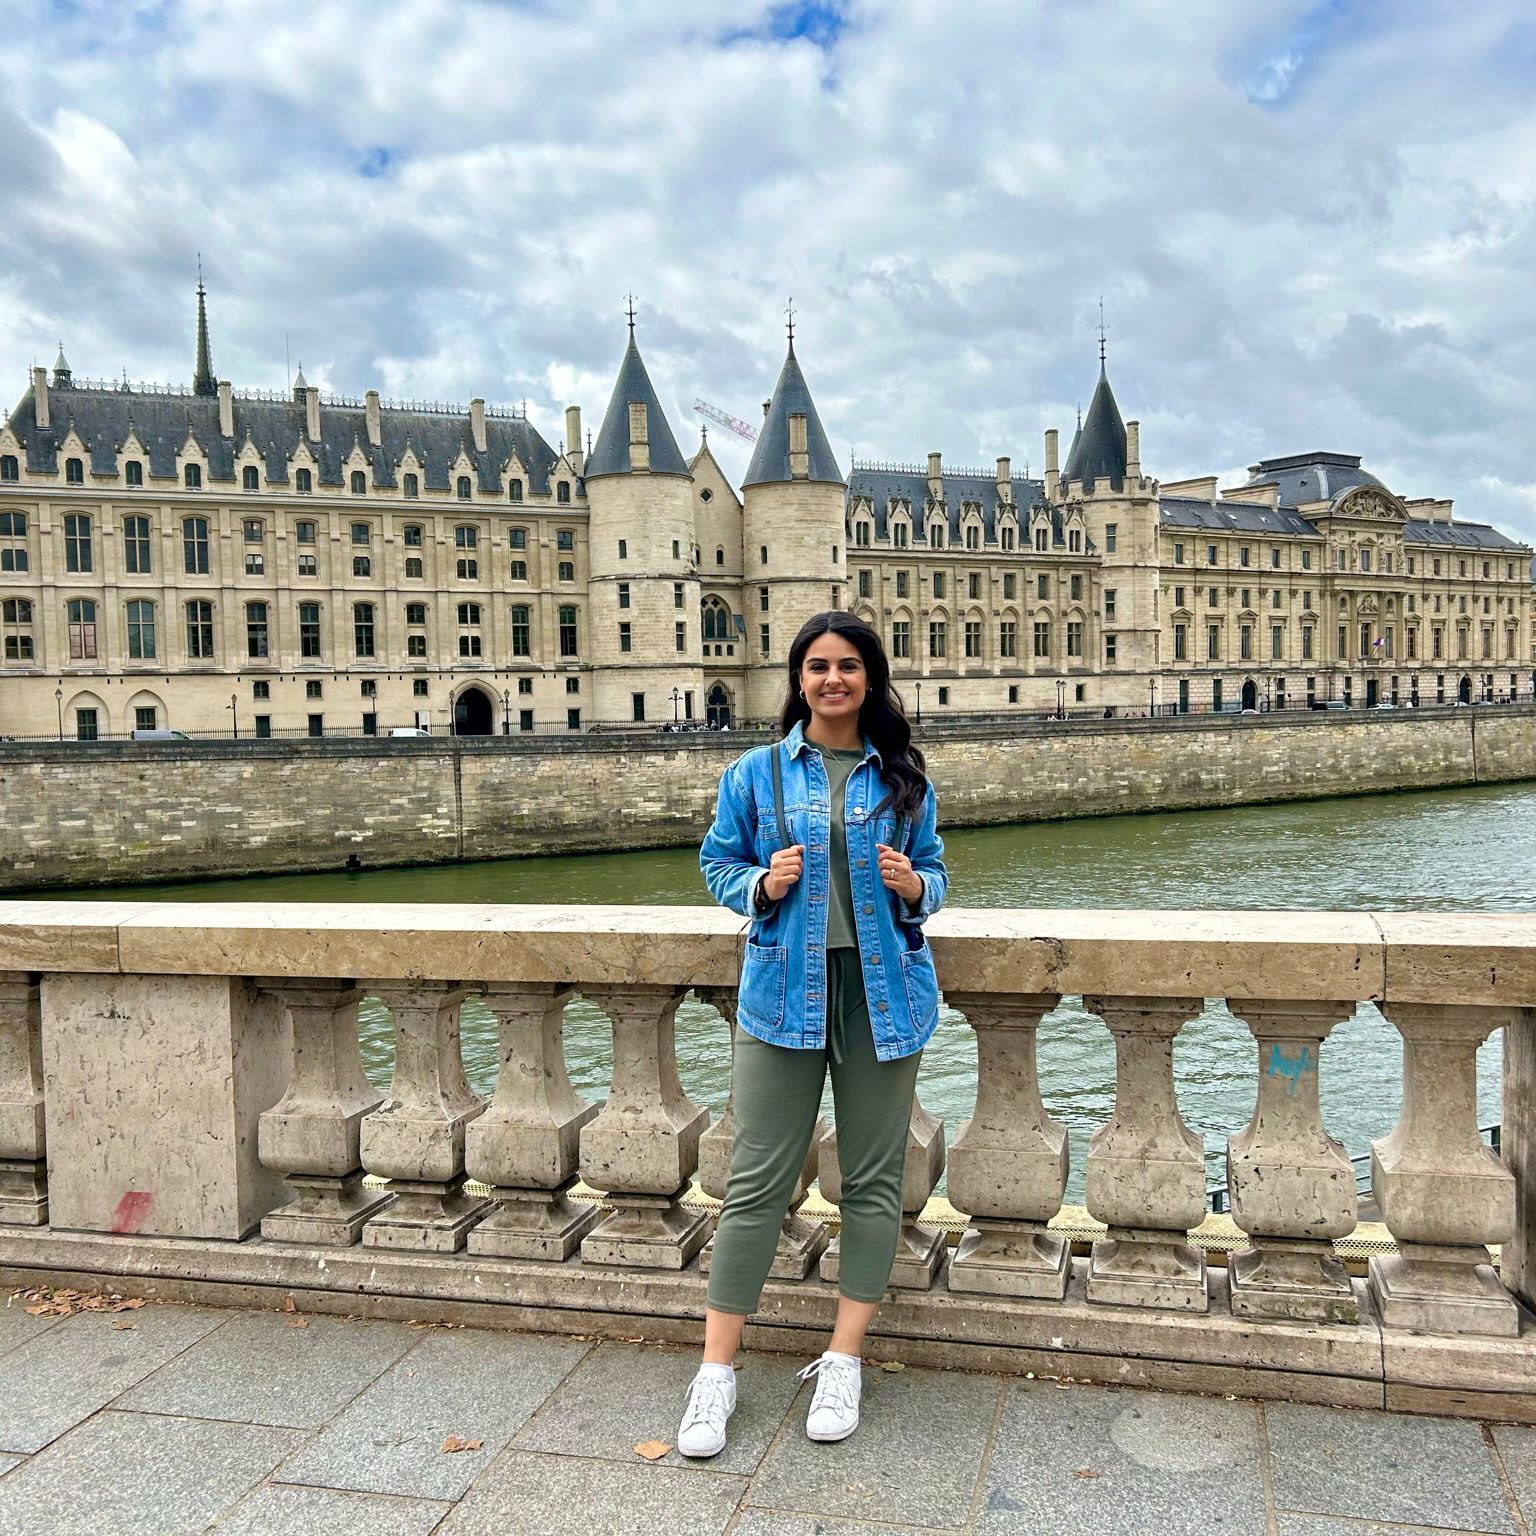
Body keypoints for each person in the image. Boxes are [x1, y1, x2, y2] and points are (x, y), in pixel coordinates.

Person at [680, 610, 947, 1458]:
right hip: (779, 996)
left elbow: (936, 872)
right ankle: (715, 1373)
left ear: (870, 679)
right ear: (798, 679)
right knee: (755, 1183)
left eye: (849, 667)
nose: (834, 680)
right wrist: (762, 881)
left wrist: (915, 886)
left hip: (881, 997)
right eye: (818, 667)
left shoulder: (905, 778)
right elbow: (717, 864)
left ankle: (843, 1357)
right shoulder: (754, 775)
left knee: (872, 1184)